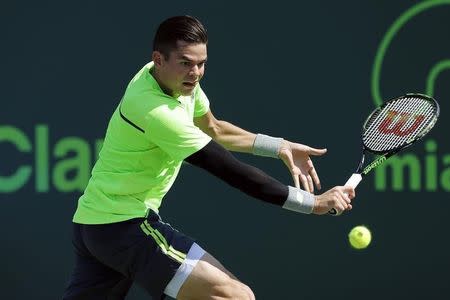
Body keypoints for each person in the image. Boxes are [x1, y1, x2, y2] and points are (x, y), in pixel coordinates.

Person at [62, 15, 355, 300]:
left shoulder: (172, 78)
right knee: (235, 296)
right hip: (124, 225)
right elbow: (232, 172)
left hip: (93, 222)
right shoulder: (157, 113)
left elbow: (214, 128)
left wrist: (278, 146)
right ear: (158, 59)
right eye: (186, 63)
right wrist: (314, 204)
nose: (196, 73)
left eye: (201, 64)